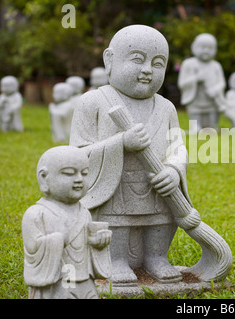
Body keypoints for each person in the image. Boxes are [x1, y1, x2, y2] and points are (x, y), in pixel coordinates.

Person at [70, 25, 190, 284]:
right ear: (109, 60)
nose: (148, 69)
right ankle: (116, 261)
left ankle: (156, 258)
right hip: (112, 184)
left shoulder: (166, 107)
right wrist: (120, 143)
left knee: (161, 218)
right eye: (138, 59)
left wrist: (173, 169)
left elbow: (177, 147)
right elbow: (77, 155)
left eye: (158, 63)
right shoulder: (93, 102)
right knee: (115, 219)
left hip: (156, 183)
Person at [22, 146, 112, 299]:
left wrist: (97, 244)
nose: (79, 179)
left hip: (85, 279)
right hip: (59, 282)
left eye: (84, 173)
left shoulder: (84, 212)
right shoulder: (36, 214)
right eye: (69, 173)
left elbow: (86, 247)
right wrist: (56, 240)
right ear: (44, 178)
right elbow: (33, 250)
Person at [177, 33, 229, 133]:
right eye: (202, 47)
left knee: (212, 127)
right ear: (194, 47)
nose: (206, 51)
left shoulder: (216, 66)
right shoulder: (188, 64)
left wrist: (215, 90)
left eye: (210, 48)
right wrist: (195, 79)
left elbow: (222, 83)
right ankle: (195, 127)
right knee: (195, 124)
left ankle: (212, 126)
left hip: (211, 101)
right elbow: (182, 83)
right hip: (195, 101)